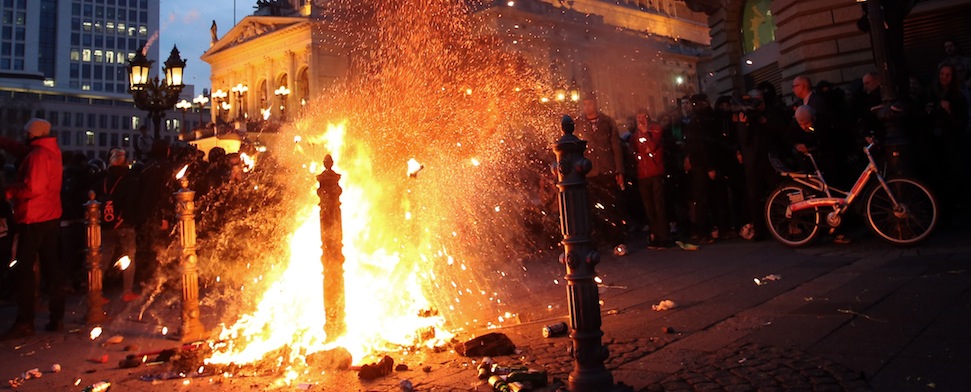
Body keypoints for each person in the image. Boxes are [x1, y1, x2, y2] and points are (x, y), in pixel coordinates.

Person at [0, 119, 64, 339]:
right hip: (50, 215)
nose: (23, 135)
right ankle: (57, 316)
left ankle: (25, 320)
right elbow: (21, 149)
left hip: (33, 217)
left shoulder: (37, 156)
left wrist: (10, 190)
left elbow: (33, 187)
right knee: (51, 266)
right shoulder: (49, 152)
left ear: (32, 134)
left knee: (24, 269)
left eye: (25, 132)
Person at [575, 94, 627, 254]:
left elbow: (616, 147)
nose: (588, 107)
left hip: (607, 170)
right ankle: (598, 240)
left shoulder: (607, 122)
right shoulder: (579, 124)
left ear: (596, 104)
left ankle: (617, 241)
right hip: (589, 172)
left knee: (612, 207)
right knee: (592, 210)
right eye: (585, 104)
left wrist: (619, 170)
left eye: (590, 104)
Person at [95, 148, 140, 302]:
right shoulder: (130, 179)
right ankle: (127, 291)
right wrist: (124, 218)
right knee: (129, 257)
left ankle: (96, 291)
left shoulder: (104, 180)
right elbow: (132, 202)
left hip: (106, 224)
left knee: (103, 259)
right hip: (124, 224)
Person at [629, 109, 671, 250]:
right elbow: (634, 153)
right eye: (638, 117)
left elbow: (652, 147)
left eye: (643, 117)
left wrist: (646, 133)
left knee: (659, 206)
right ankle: (655, 236)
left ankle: (664, 237)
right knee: (649, 208)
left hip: (655, 172)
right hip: (642, 175)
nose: (641, 120)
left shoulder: (656, 130)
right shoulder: (634, 136)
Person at [682, 94, 717, 244]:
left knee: (702, 199)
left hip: (698, 164)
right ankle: (704, 232)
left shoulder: (693, 121)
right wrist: (709, 166)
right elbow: (701, 146)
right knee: (703, 199)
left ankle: (705, 231)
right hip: (701, 166)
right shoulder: (698, 121)